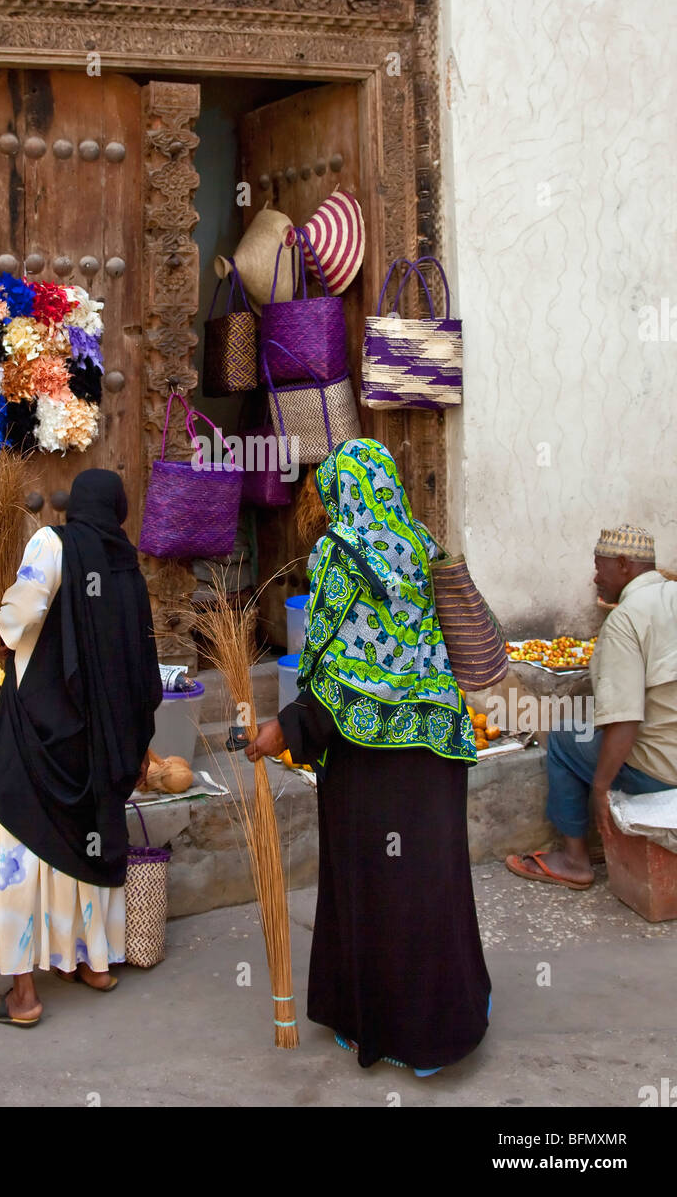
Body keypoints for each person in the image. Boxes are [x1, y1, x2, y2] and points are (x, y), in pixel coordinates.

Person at [247, 439, 491, 1072]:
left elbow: (333, 663)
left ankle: (385, 1030)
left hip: (370, 756)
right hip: (435, 741)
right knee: (430, 882)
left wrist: (287, 730)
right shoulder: (417, 539)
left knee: (379, 888)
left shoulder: (340, 551)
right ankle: (446, 1026)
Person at [0, 469, 163, 1026]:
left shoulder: (52, 542)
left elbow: (20, 616)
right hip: (101, 741)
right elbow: (140, 662)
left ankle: (24, 994)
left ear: (75, 505)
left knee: (18, 835)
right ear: (119, 510)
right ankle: (95, 963)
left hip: (41, 732)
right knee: (87, 839)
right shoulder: (128, 566)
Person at [506, 525, 677, 890]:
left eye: (600, 567)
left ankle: (573, 860)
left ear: (623, 565)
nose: (596, 578)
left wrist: (600, 790)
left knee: (567, 736)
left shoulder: (625, 620)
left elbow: (625, 719)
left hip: (662, 773)